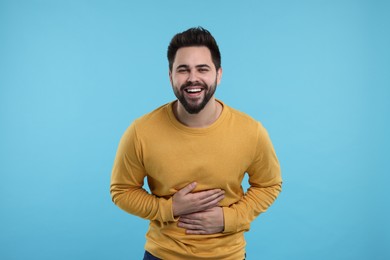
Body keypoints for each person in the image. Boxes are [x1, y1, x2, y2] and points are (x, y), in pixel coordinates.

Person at [110, 27, 282, 260]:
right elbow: (121, 190)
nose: (193, 78)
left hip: (228, 256)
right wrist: (169, 209)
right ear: (170, 75)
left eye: (203, 69)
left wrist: (229, 219)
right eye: (183, 69)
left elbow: (269, 185)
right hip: (163, 255)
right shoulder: (140, 132)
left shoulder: (251, 131)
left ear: (218, 74)